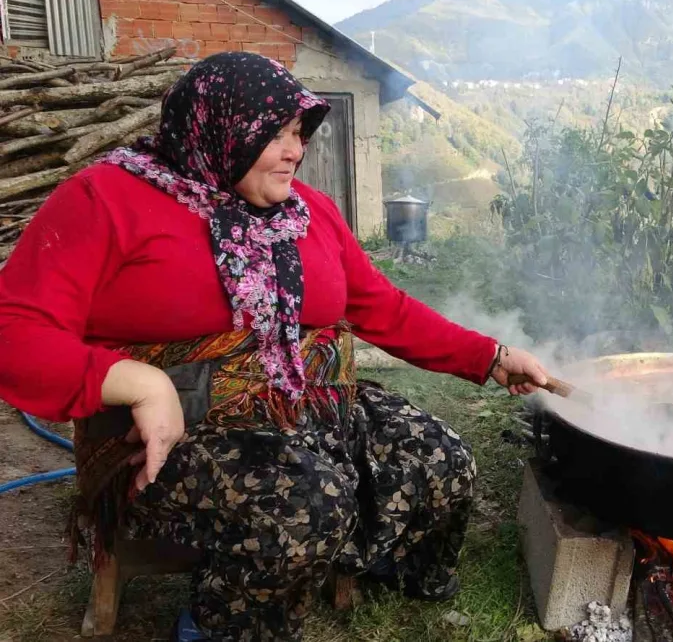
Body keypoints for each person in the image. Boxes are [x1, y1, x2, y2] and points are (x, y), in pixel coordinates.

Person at [0, 51, 549, 641]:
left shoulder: (309, 213)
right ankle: (224, 623)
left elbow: (381, 307)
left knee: (441, 457)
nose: (295, 150)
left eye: (298, 132)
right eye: (274, 134)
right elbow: (15, 331)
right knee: (305, 500)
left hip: (308, 405)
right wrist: (139, 381)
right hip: (179, 428)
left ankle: (372, 563)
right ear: (218, 128)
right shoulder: (104, 199)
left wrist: (489, 356)